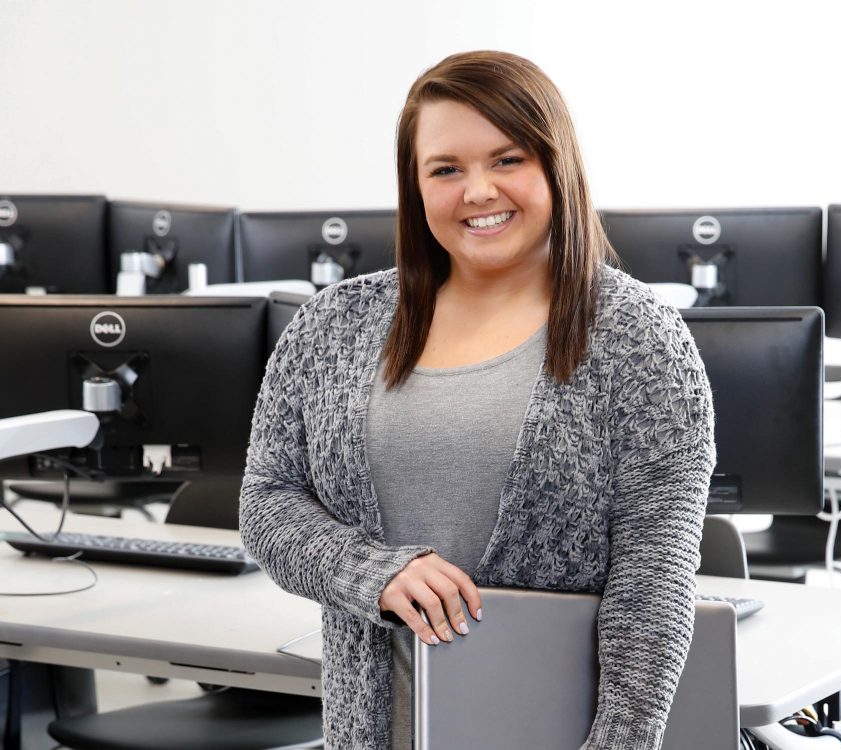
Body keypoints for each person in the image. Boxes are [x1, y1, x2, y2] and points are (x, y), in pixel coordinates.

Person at [240, 50, 716, 750]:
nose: (478, 191)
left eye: (507, 159)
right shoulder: (332, 324)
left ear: (556, 166)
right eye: (446, 169)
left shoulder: (639, 338)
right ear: (415, 185)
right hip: (373, 732)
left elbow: (654, 585)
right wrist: (371, 569)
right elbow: (266, 500)